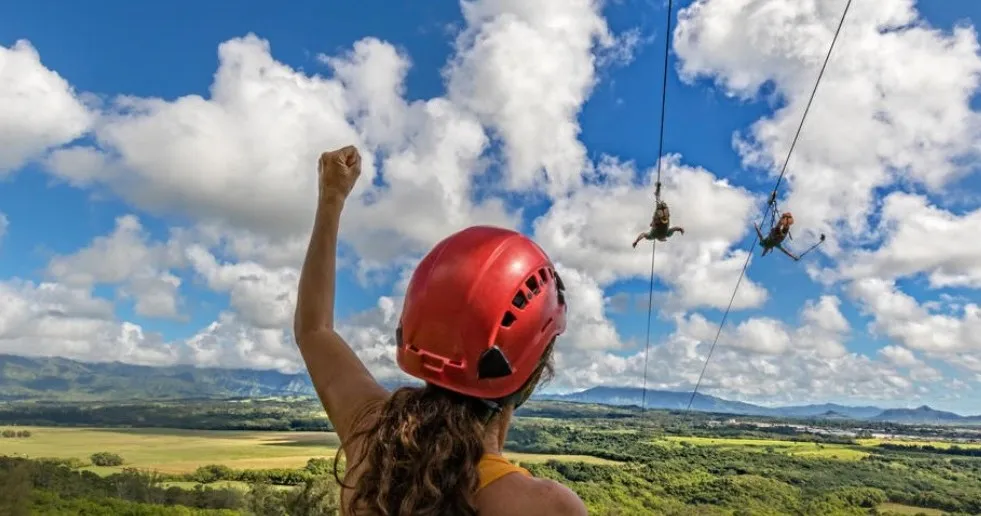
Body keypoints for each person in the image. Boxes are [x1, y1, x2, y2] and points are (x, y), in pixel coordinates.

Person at [293, 145, 588, 516]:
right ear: (533, 371)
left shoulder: (371, 434)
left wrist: (331, 197)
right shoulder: (545, 506)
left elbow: (314, 330)